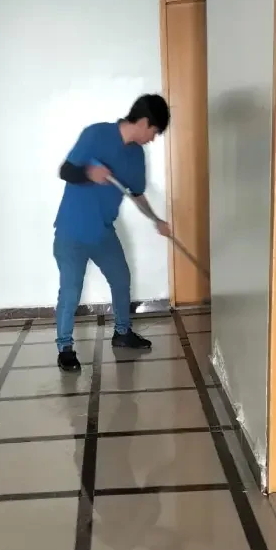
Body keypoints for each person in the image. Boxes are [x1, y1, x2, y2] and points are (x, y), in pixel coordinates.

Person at [53, 94, 172, 372]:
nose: (153, 139)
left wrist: (156, 220)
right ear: (144, 123)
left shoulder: (136, 155)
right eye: (154, 132)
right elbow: (65, 170)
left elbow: (137, 194)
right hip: (72, 230)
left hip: (103, 232)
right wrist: (89, 173)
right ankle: (65, 348)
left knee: (121, 278)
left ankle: (122, 333)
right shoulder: (96, 134)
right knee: (70, 291)